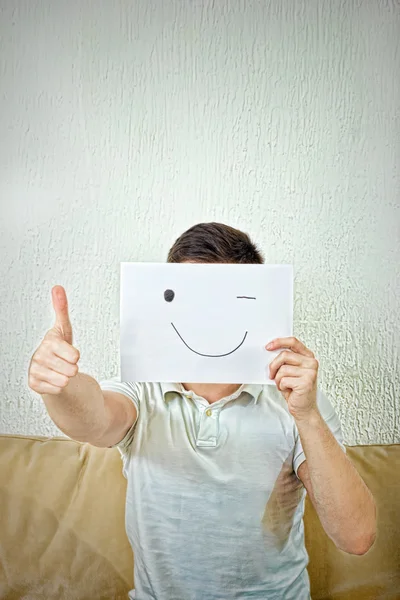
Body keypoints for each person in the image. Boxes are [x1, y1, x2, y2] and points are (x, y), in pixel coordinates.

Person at [28, 222, 376, 600]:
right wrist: (59, 384)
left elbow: (356, 536)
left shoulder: (297, 401)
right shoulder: (142, 388)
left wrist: (307, 415)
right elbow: (94, 419)